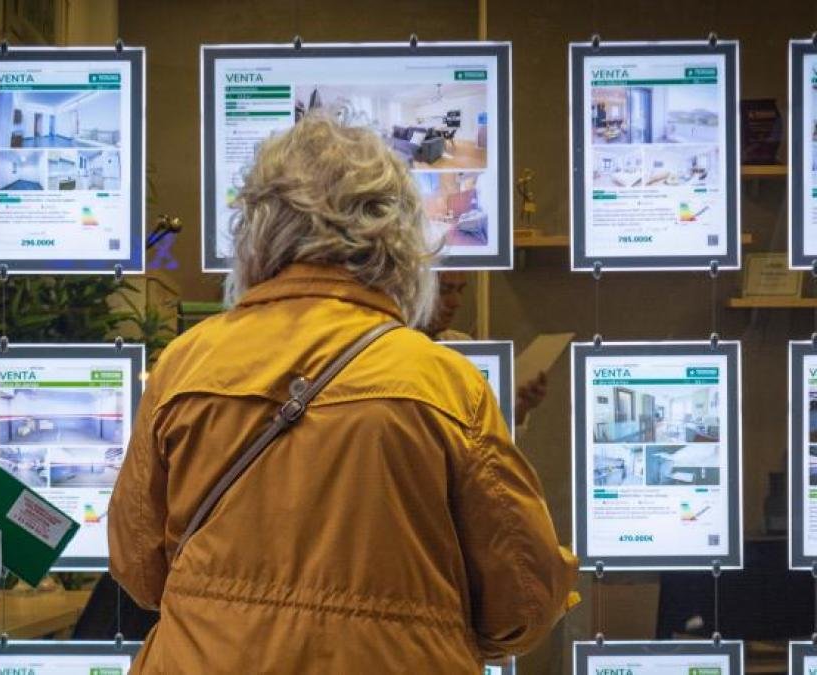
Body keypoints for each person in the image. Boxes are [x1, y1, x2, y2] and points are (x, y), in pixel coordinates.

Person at [108, 114, 577, 673]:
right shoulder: (442, 383)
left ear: (256, 229)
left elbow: (138, 568)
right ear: (398, 238)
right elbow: (521, 603)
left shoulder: (186, 364)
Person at [423, 270, 548, 428]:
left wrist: (520, 407)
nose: (456, 302)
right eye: (444, 291)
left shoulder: (464, 346)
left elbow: (490, 427)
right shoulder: (396, 349)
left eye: (460, 290)